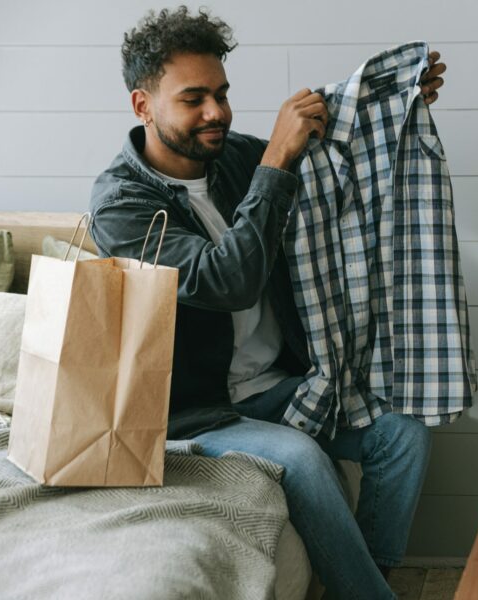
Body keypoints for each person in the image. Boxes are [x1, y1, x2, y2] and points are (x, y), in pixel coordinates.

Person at [89, 6, 447, 599]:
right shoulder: (120, 204)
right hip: (193, 414)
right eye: (194, 98)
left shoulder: (230, 158)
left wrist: (399, 99)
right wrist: (276, 158)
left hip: (278, 386)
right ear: (142, 106)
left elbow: (332, 142)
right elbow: (225, 281)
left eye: (223, 94)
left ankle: (368, 581)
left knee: (404, 428)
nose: (216, 113)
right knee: (302, 460)